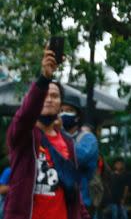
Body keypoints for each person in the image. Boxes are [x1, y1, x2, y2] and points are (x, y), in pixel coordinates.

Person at [4, 46, 88, 219]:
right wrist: (44, 78)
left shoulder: (68, 142)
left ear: (61, 105)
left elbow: (74, 190)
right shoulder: (22, 135)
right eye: (45, 95)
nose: (49, 99)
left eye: (55, 96)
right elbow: (24, 116)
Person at [60, 93, 100, 215]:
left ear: (77, 117)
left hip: (82, 203)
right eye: (61, 110)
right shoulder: (58, 136)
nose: (64, 114)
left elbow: (75, 158)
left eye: (69, 110)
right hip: (61, 202)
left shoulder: (88, 139)